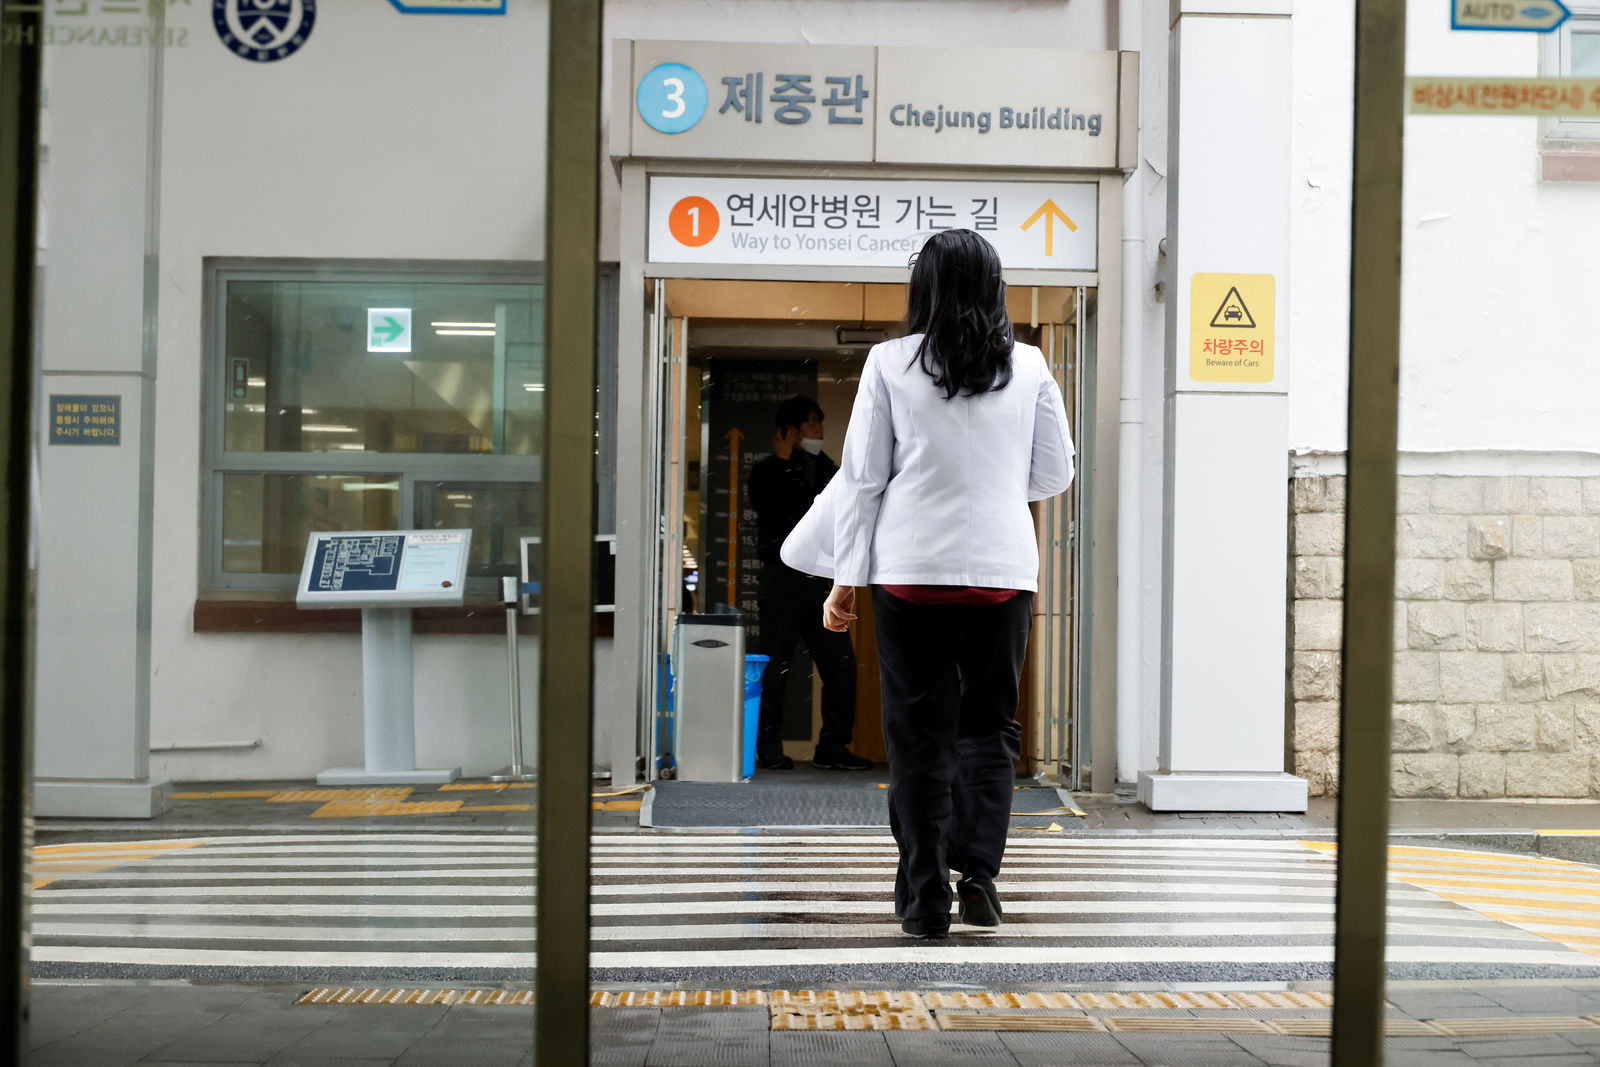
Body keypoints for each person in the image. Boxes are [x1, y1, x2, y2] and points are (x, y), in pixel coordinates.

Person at [809, 229, 1074, 939]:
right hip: (1001, 573)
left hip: (910, 574)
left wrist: (845, 583)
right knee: (989, 730)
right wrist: (989, 485)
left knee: (918, 736)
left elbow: (863, 479)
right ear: (995, 287)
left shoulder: (889, 362)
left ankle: (926, 898)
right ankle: (980, 874)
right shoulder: (1030, 364)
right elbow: (1056, 472)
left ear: (922, 287)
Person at [746, 396, 872, 772]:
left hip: (821, 582)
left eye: (819, 424)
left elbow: (836, 510)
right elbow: (775, 508)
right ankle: (768, 748)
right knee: (776, 666)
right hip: (782, 581)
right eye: (810, 425)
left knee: (841, 666)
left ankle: (833, 746)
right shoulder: (767, 470)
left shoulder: (826, 469)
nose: (818, 431)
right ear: (788, 431)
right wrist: (785, 461)